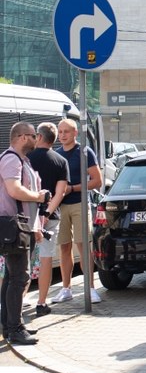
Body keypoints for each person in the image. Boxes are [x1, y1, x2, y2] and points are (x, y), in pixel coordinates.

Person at [1, 122, 49, 345]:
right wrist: (38, 197)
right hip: (15, 227)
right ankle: (15, 328)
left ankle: (10, 325)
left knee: (13, 278)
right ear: (21, 137)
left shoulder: (23, 160)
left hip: (24, 226)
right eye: (33, 135)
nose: (37, 138)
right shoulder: (12, 159)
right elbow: (14, 190)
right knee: (19, 278)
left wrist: (37, 225)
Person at [51, 118, 103, 304]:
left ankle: (90, 289)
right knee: (64, 247)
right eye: (60, 131)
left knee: (83, 246)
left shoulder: (84, 152)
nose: (63, 135)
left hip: (79, 203)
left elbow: (97, 181)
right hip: (61, 206)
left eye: (66, 131)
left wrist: (73, 188)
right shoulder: (55, 154)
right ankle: (66, 289)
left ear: (75, 133)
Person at [26, 122, 69, 317]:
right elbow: (59, 193)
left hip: (26, 215)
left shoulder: (26, 159)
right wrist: (47, 213)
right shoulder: (61, 161)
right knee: (45, 259)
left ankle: (15, 303)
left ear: (40, 137)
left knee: (21, 261)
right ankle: (41, 303)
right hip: (50, 219)